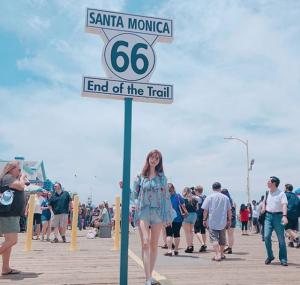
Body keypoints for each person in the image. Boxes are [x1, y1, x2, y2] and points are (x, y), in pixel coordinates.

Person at [129, 149, 175, 285]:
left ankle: (149, 276)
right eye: (152, 157)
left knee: (154, 245)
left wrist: (168, 216)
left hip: (158, 213)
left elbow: (166, 197)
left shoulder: (162, 177)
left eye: (157, 158)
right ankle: (148, 278)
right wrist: (124, 188)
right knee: (145, 242)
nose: (153, 160)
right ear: (148, 158)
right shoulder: (140, 176)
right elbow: (133, 195)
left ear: (159, 161)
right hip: (143, 212)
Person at [0, 161, 27, 275]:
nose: (20, 172)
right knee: (12, 241)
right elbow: (21, 187)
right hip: (8, 213)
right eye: (19, 170)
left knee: (8, 242)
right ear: (11, 169)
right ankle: (5, 268)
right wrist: (23, 178)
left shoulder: (9, 178)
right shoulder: (7, 178)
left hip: (11, 213)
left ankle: (5, 268)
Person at [262, 176, 288, 266]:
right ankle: (270, 256)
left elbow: (284, 205)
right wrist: (263, 208)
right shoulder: (267, 192)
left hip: (279, 216)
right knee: (266, 236)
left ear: (274, 183)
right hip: (268, 217)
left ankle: (283, 258)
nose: (267, 182)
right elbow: (264, 202)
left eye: (269, 181)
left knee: (281, 239)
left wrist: (284, 216)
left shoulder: (281, 194)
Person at [202, 182, 231, 262]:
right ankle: (221, 254)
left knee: (214, 239)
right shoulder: (225, 198)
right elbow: (229, 210)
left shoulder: (209, 197)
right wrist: (229, 220)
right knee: (222, 239)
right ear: (220, 188)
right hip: (222, 221)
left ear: (212, 188)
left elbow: (205, 210)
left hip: (212, 221)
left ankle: (217, 254)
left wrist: (204, 219)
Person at [164, 183, 186, 256]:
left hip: (168, 218)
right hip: (178, 218)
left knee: (169, 234)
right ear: (174, 188)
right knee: (177, 234)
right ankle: (176, 250)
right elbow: (183, 206)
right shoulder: (178, 196)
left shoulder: (164, 197)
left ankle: (169, 250)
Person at [182, 187, 198, 253]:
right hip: (194, 215)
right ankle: (191, 244)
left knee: (187, 233)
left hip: (187, 215)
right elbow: (197, 208)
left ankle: (189, 246)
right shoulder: (195, 199)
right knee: (191, 231)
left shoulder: (183, 199)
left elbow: (182, 208)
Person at [221, 189, 236, 254]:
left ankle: (225, 246)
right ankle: (230, 248)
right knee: (231, 235)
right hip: (233, 219)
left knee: (223, 234)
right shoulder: (233, 201)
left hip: (225, 219)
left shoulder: (224, 200)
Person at [193, 185, 207, 252]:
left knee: (196, 231)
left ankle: (203, 244)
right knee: (203, 231)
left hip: (197, 216)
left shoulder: (196, 198)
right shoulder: (204, 197)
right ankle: (204, 244)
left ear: (196, 191)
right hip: (203, 215)